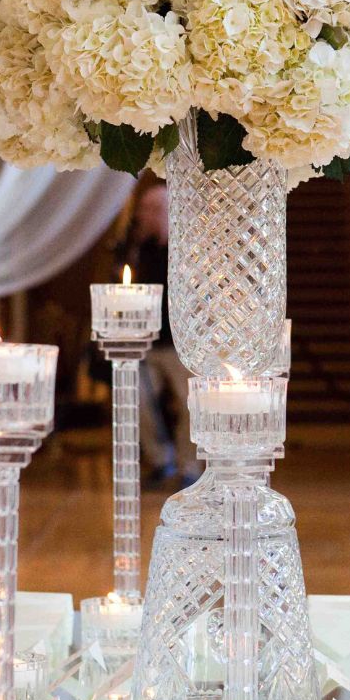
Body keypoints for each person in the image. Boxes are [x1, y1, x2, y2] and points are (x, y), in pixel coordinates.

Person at [117, 182, 200, 489]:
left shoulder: (186, 248)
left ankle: (188, 465)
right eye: (145, 209)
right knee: (135, 400)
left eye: (155, 209)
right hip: (145, 343)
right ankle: (159, 459)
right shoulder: (135, 249)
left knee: (191, 404)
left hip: (180, 344)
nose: (147, 215)